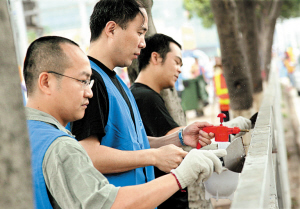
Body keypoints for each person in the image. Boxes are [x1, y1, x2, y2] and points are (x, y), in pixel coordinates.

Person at [25, 35, 227, 209]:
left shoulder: (23, 135)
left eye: (90, 82)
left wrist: (177, 138)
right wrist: (179, 176)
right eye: (82, 81)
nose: (89, 92)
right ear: (46, 82)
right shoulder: (61, 147)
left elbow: (131, 141)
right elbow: (108, 204)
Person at [71, 0, 214, 189]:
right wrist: (153, 157)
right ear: (111, 29)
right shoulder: (91, 81)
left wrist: (179, 137)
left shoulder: (115, 81)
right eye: (139, 33)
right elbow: (87, 154)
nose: (143, 43)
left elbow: (132, 144)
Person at [130, 34, 251, 208]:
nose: (179, 69)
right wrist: (224, 131)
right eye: (177, 62)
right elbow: (178, 138)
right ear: (155, 57)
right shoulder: (146, 97)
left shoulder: (138, 94)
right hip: (165, 199)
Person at [213, 57, 230, 122]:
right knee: (226, 121)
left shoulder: (226, 76)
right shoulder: (217, 76)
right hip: (224, 104)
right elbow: (217, 90)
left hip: (231, 104)